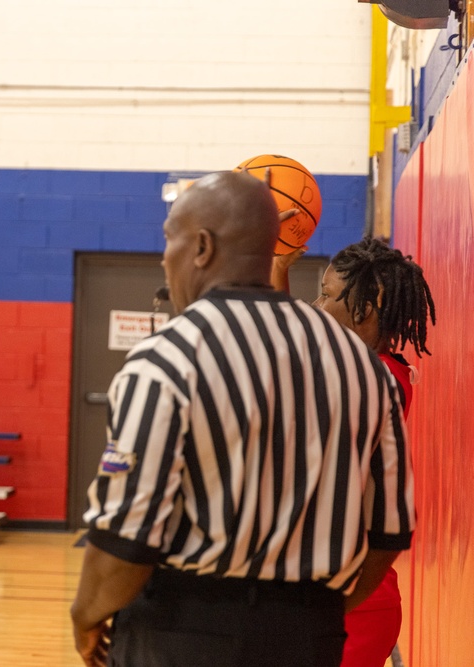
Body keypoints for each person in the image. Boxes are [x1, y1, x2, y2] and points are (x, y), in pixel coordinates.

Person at [69, 171, 415, 667]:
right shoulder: (361, 365)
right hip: (310, 636)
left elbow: (127, 534)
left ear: (204, 247)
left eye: (171, 238)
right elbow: (391, 531)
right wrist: (315, 613)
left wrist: (86, 616)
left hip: (182, 634)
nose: (165, 256)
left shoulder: (166, 359)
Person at [273, 237, 435, 667]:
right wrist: (277, 268)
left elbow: (289, 359)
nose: (317, 304)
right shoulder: (365, 367)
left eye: (326, 295)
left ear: (366, 306)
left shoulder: (375, 378)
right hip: (327, 597)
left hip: (356, 605)